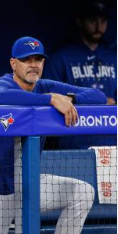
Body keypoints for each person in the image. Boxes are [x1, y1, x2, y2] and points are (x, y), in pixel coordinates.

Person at [0, 37, 107, 234]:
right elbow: (2, 98)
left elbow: (98, 97)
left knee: (82, 191)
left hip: (25, 185)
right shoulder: (1, 85)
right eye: (26, 60)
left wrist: (68, 99)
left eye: (38, 59)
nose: (33, 64)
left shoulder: (44, 85)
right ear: (13, 64)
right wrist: (51, 99)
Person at [43, 0, 117, 148]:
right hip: (74, 143)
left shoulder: (114, 57)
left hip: (112, 142)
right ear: (79, 21)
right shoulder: (61, 58)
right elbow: (48, 99)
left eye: (103, 21)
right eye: (92, 21)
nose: (98, 27)